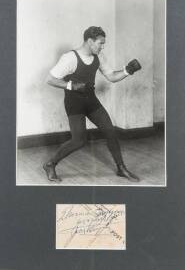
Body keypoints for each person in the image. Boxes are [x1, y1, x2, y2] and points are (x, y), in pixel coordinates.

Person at [43, 26, 141, 182]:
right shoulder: (70, 58)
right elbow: (50, 79)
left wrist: (128, 70)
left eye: (103, 44)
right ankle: (50, 164)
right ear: (90, 41)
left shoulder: (98, 56)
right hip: (74, 102)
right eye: (100, 43)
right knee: (79, 140)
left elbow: (111, 76)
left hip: (91, 100)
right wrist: (71, 85)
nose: (102, 46)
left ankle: (121, 168)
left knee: (110, 130)